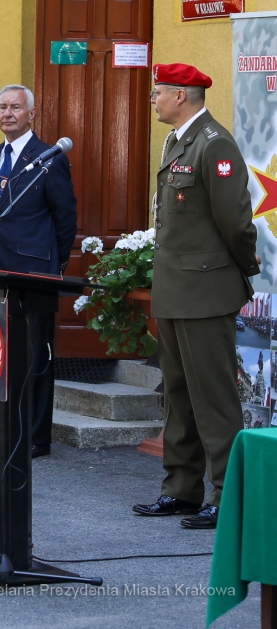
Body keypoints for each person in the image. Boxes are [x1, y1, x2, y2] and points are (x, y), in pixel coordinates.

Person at [132, 63, 259, 530]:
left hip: (206, 289)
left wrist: (241, 271)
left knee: (214, 398)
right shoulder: (178, 140)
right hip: (175, 288)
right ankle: (181, 489)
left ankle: (228, 495)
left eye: (158, 91)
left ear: (181, 96)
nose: (153, 98)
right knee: (179, 394)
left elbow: (236, 223)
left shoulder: (214, 143)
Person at [0, 84, 76, 458]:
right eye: (2, 107)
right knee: (1, 353)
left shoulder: (49, 158)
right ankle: (5, 424)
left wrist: (56, 265)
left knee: (36, 357)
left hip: (35, 275)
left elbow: (65, 217)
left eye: (16, 107)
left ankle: (37, 436)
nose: (8, 113)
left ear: (31, 114)